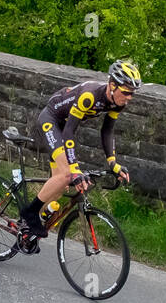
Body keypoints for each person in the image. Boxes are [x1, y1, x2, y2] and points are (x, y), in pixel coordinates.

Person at [20, 60, 139, 239]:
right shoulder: (89, 96)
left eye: (132, 93)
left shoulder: (118, 102)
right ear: (112, 85)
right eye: (126, 92)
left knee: (60, 183)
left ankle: (30, 224)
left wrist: (113, 163)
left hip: (62, 127)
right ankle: (29, 213)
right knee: (67, 175)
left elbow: (107, 131)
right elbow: (69, 131)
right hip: (51, 121)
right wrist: (75, 168)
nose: (129, 97)